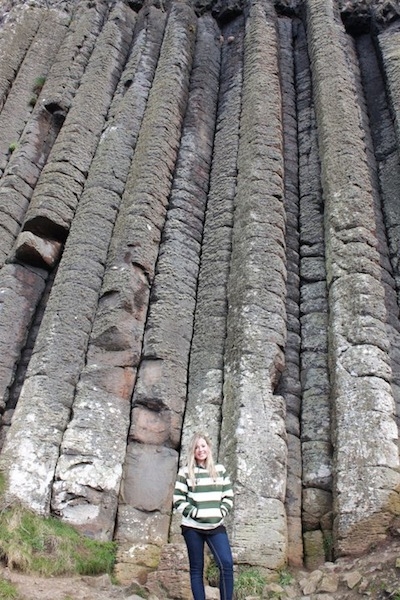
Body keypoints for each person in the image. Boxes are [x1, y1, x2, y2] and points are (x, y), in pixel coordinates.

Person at [173, 432, 234, 600]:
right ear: (192, 451)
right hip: (192, 527)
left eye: (203, 446)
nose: (200, 450)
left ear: (208, 448)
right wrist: (196, 513)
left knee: (226, 564)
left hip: (215, 526)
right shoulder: (185, 472)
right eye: (196, 447)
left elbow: (228, 496)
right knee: (196, 569)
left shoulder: (220, 470)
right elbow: (178, 499)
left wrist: (220, 513)